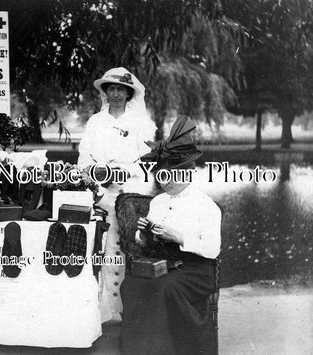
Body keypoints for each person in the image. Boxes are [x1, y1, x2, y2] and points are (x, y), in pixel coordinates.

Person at [120, 116, 221, 354]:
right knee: (131, 284)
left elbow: (213, 248)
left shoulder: (206, 205)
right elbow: (142, 243)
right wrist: (143, 234)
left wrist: (180, 237)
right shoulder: (158, 202)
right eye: (162, 176)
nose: (166, 183)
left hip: (195, 268)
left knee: (163, 288)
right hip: (162, 263)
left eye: (172, 176)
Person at [78, 67, 156, 323]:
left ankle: (129, 312)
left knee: (127, 247)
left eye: (121, 89)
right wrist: (95, 172)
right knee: (101, 247)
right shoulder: (95, 122)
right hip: (100, 194)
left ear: (129, 93)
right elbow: (84, 158)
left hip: (129, 194)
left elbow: (146, 162)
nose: (116, 94)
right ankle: (102, 312)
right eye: (111, 88)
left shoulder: (140, 124)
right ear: (105, 92)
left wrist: (119, 171)